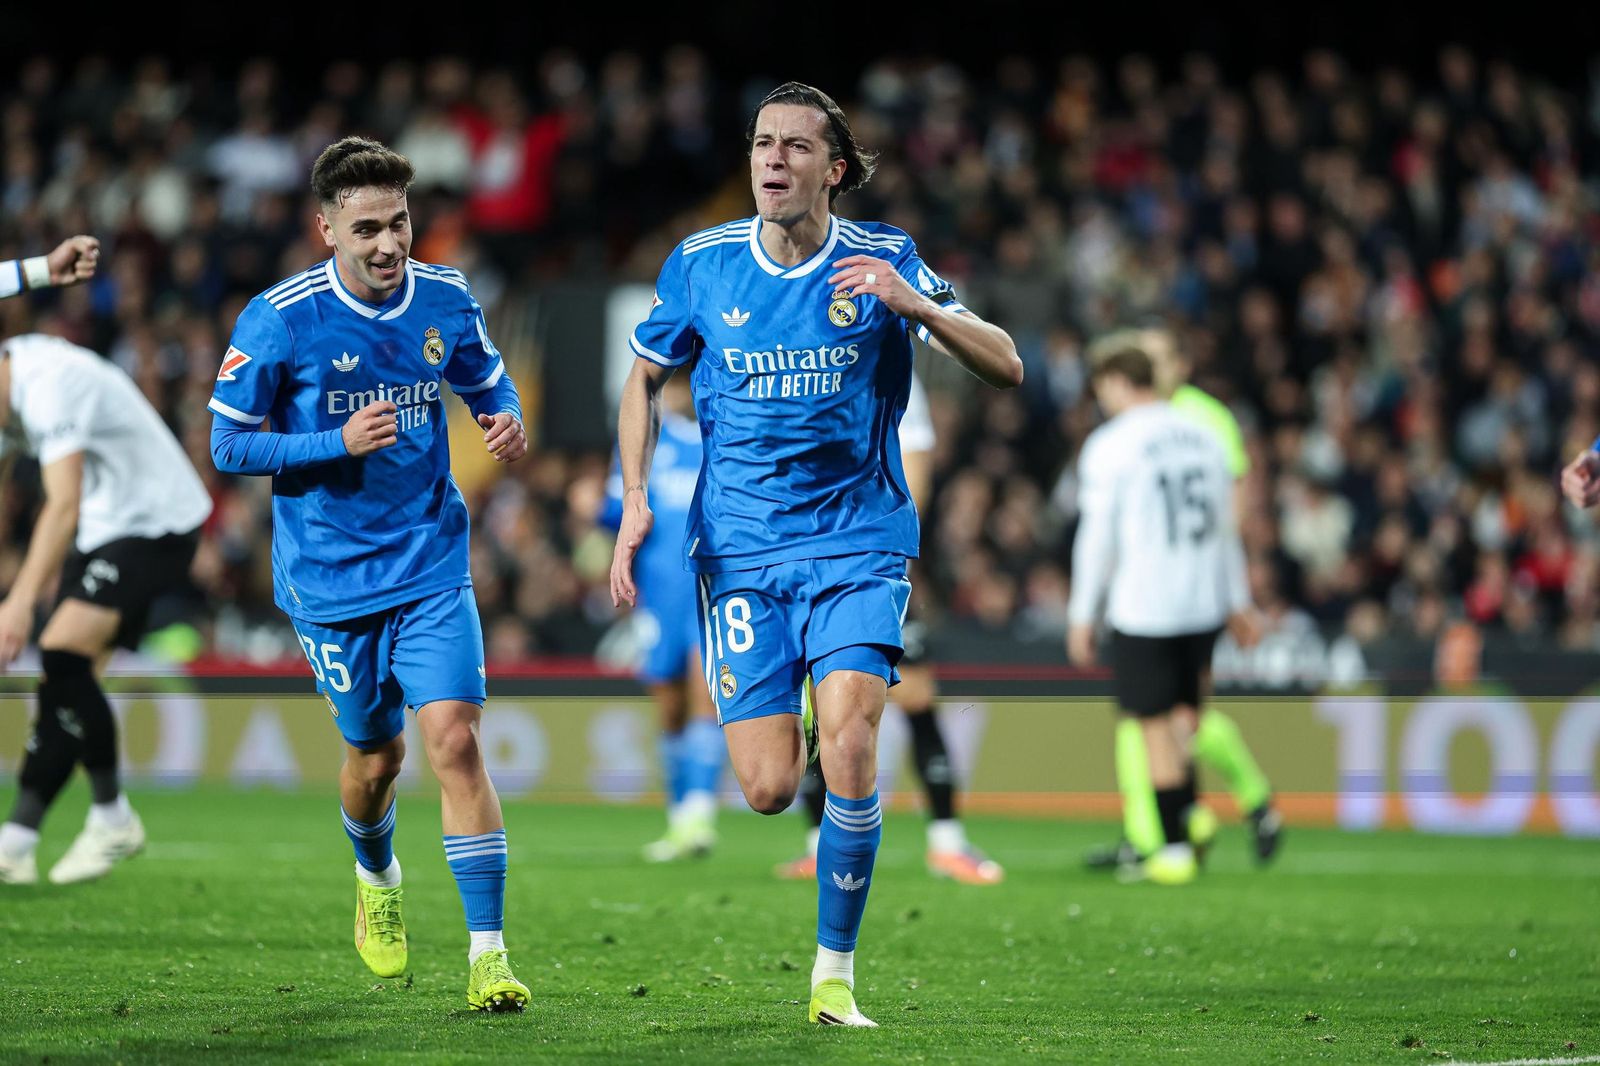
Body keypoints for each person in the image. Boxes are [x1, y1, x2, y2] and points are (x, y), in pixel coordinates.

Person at [610, 82, 1021, 1028]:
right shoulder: (703, 264)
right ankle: (800, 685)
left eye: (796, 146)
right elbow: (643, 381)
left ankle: (833, 976)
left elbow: (1007, 362)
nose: (772, 159)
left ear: (834, 170)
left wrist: (913, 302)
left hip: (856, 541)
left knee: (851, 744)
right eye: (762, 142)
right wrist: (635, 499)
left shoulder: (884, 258)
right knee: (763, 788)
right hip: (743, 553)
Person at [207, 137, 531, 1011]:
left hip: (431, 560)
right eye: (367, 229)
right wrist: (332, 443)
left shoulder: (447, 297)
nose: (389, 244)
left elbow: (488, 382)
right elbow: (228, 441)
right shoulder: (281, 318)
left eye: (400, 224)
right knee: (374, 757)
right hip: (331, 580)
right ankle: (376, 878)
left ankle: (489, 956)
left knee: (455, 739)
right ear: (326, 230)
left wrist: (503, 420)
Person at [0, 323, 210, 886]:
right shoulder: (16, 373)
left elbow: (62, 503)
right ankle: (17, 841)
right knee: (64, 680)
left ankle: (113, 815)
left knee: (62, 650)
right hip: (107, 524)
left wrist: (17, 602)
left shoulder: (50, 387)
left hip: (155, 522)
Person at [777, 371, 1004, 885]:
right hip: (808, 555)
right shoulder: (797, 359)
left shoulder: (888, 360)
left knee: (918, 697)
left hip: (875, 557)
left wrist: (898, 542)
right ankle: (818, 844)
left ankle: (947, 841)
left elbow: (916, 453)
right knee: (820, 698)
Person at [1083, 328, 1281, 870]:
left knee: (1162, 723)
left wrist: (1230, 591)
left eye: (1161, 355)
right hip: (1171, 588)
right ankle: (1166, 828)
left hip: (1182, 591)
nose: (1155, 364)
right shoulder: (1173, 425)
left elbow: (1230, 510)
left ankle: (1176, 830)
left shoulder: (1203, 419)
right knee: (1164, 722)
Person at [597, 374, 723, 861]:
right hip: (659, 593)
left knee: (703, 695)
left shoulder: (721, 434)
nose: (680, 395)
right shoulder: (644, 441)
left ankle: (699, 814)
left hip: (712, 589)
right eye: (674, 387)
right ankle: (679, 818)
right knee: (668, 705)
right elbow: (615, 511)